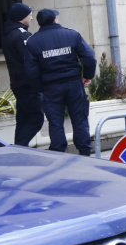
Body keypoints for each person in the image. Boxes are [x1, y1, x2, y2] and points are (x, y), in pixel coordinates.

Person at [23, 9, 96, 155]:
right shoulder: (72, 34)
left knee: (55, 123)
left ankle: (58, 153)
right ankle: (85, 152)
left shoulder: (33, 41)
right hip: (74, 84)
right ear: (55, 20)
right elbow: (89, 58)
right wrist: (87, 75)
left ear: (38, 23)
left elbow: (31, 70)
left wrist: (40, 88)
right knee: (80, 119)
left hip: (50, 87)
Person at [2, 3, 44, 146]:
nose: (32, 18)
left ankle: (19, 149)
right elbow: (29, 59)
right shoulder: (21, 35)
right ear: (21, 17)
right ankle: (19, 147)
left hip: (18, 83)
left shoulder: (9, 33)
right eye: (29, 14)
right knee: (36, 118)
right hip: (28, 84)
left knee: (23, 118)